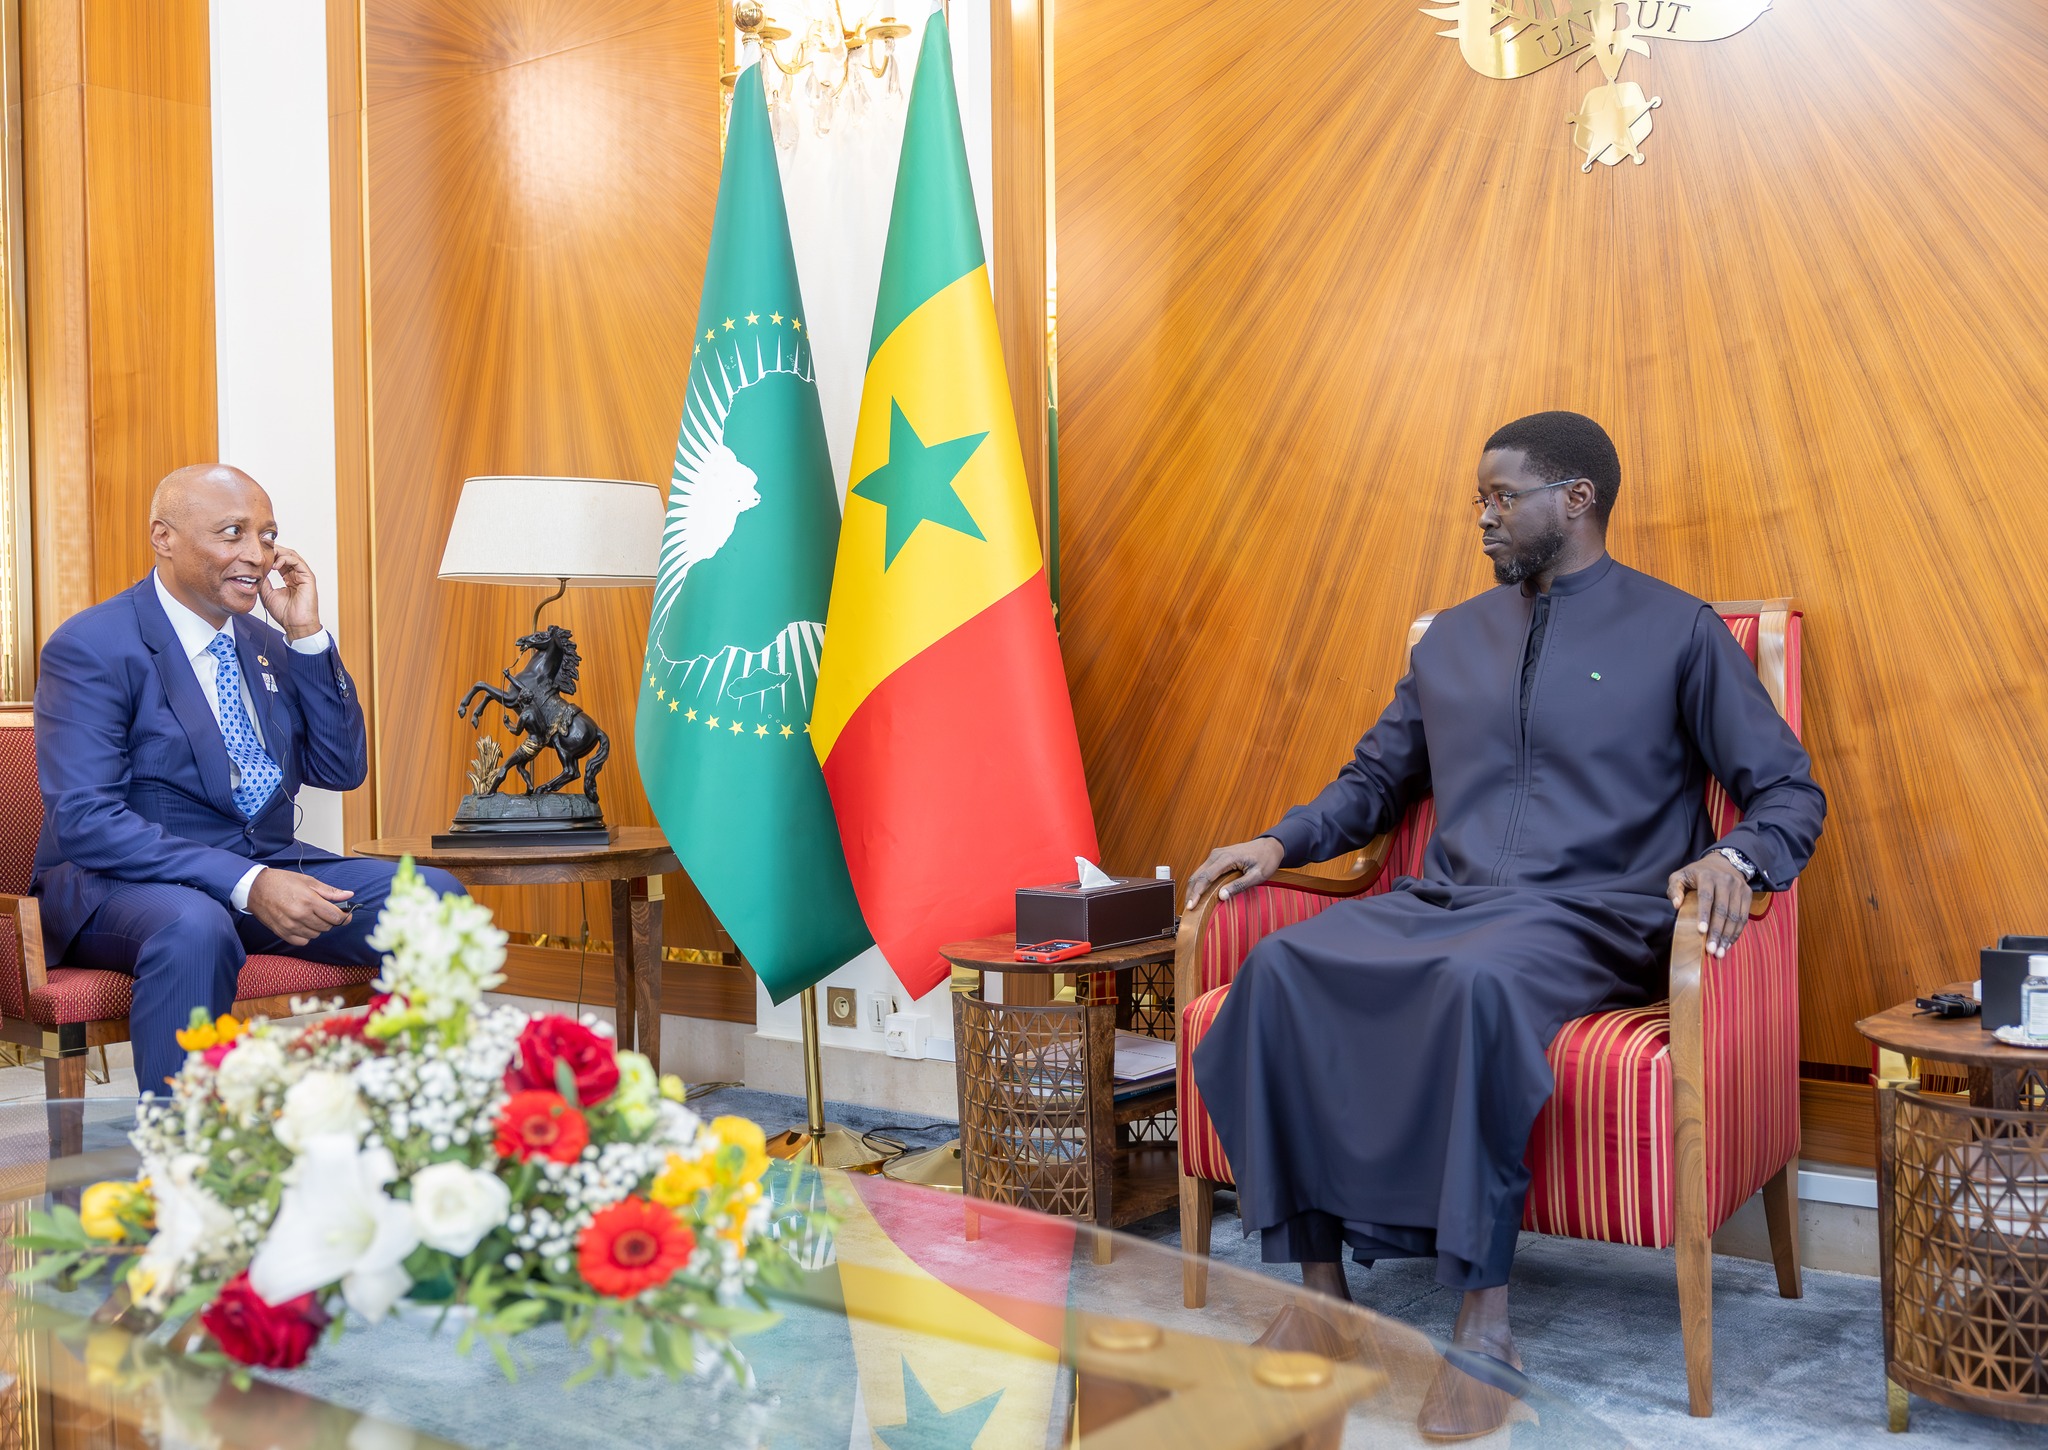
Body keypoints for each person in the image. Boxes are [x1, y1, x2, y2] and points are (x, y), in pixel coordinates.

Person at [1186, 411, 1825, 1439]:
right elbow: (1373, 781)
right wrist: (1278, 842)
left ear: (1574, 499)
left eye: (1499, 497)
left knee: (1477, 985)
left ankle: (1485, 1326)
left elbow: (1787, 792)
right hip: (1442, 904)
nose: (1479, 518)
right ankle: (1321, 1301)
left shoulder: (1677, 631)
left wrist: (1730, 857)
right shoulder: (1451, 640)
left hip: (1593, 914)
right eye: (1476, 499)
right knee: (1279, 968)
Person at [31, 464, 463, 1091]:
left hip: (263, 863)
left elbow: (339, 769)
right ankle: (187, 1156)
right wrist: (249, 882)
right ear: (164, 536)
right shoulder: (94, 646)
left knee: (432, 901)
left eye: (267, 535)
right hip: (123, 883)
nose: (257, 556)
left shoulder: (265, 640)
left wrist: (307, 635)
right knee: (194, 926)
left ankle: (410, 1122)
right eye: (233, 533)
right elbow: (86, 823)